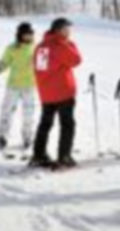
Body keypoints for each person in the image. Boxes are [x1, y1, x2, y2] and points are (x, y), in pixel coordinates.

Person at [30, 18, 82, 169]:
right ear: (58, 30)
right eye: (66, 29)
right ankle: (64, 156)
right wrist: (69, 44)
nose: (69, 32)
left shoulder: (41, 46)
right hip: (63, 92)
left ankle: (38, 154)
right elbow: (76, 59)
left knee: (45, 124)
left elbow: (40, 69)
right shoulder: (61, 45)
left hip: (47, 93)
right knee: (67, 124)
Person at [0, 22, 37, 150]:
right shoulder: (12, 48)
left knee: (28, 113)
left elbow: (41, 64)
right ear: (20, 35)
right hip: (13, 85)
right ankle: (3, 135)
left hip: (29, 85)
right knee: (7, 110)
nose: (29, 36)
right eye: (26, 34)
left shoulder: (35, 48)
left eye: (31, 34)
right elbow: (5, 61)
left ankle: (27, 136)